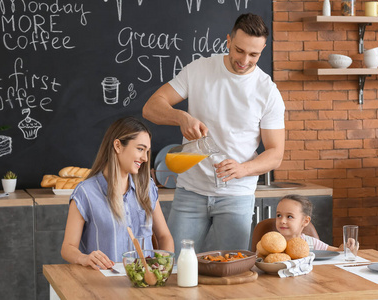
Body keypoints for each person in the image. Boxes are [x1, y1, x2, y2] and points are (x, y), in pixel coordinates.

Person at [142, 13, 285, 255]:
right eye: (239, 50)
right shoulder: (199, 70)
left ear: (262, 50)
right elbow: (151, 107)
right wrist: (181, 117)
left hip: (236, 196)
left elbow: (275, 153)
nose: (245, 60)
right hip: (190, 191)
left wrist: (244, 169)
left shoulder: (267, 91)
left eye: (254, 54)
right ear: (228, 41)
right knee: (175, 267)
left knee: (228, 272)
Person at [61, 116, 174, 270]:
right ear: (118, 146)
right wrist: (84, 258)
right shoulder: (85, 192)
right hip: (104, 284)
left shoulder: (147, 188)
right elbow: (68, 248)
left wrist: (163, 266)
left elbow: (164, 236)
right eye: (140, 149)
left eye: (147, 151)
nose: (145, 158)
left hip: (143, 283)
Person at [276, 194, 358, 252]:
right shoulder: (271, 244)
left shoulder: (312, 243)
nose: (282, 221)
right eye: (279, 215)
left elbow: (337, 251)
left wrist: (348, 247)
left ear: (305, 221)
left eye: (289, 216)